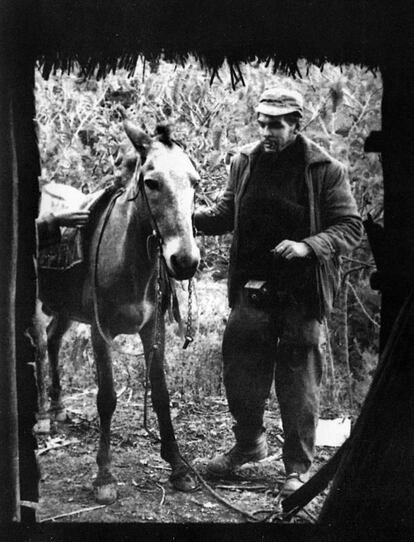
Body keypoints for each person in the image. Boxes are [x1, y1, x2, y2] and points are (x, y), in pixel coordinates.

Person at [194, 87, 363, 497]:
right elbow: (225, 213)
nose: (267, 131)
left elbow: (350, 228)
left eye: (276, 124)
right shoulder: (245, 161)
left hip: (301, 296)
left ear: (295, 124)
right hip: (252, 291)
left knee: (298, 383)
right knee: (241, 373)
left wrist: (307, 246)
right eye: (262, 123)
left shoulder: (324, 169)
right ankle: (249, 445)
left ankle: (298, 469)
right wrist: (184, 217)